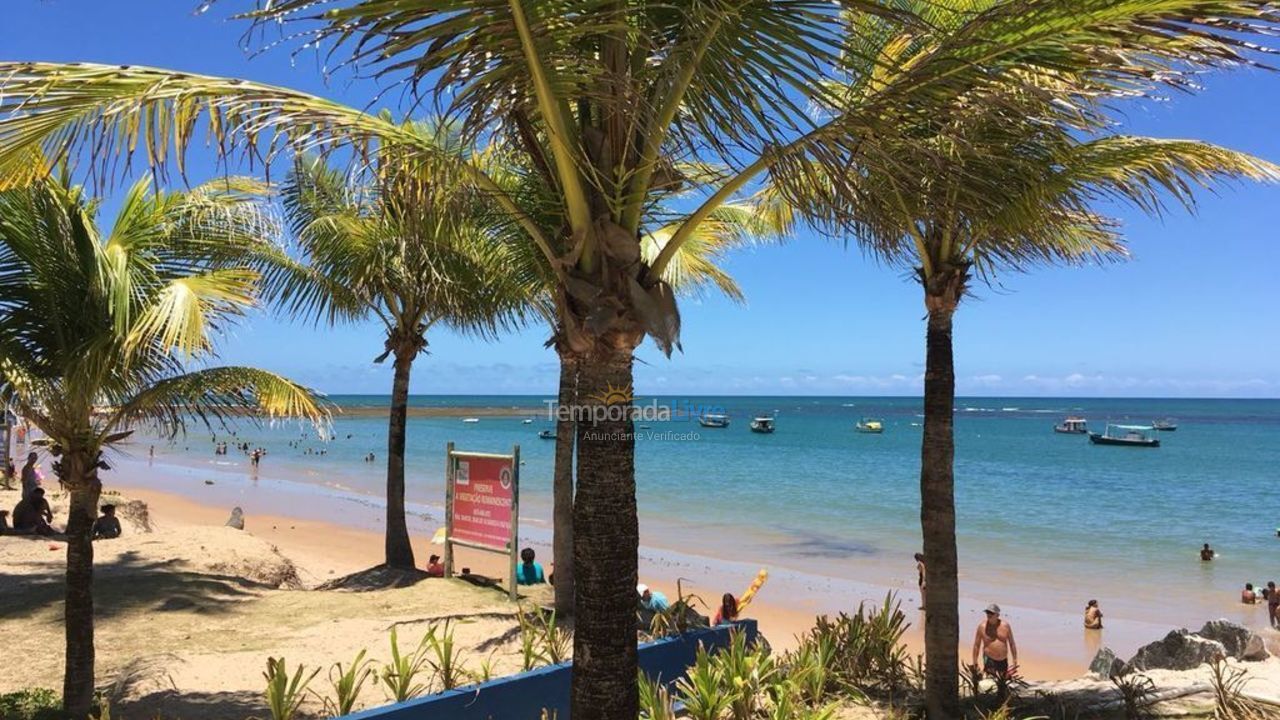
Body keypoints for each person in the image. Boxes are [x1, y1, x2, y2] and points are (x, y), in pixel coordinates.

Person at [972, 603, 1017, 679]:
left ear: (997, 615)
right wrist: (975, 661)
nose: (989, 614)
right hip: (989, 658)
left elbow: (1012, 643)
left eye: (991, 613)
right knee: (991, 680)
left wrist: (1015, 659)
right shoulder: (982, 627)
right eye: (987, 612)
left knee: (1002, 680)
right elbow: (976, 645)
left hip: (1003, 659)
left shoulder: (1005, 626)